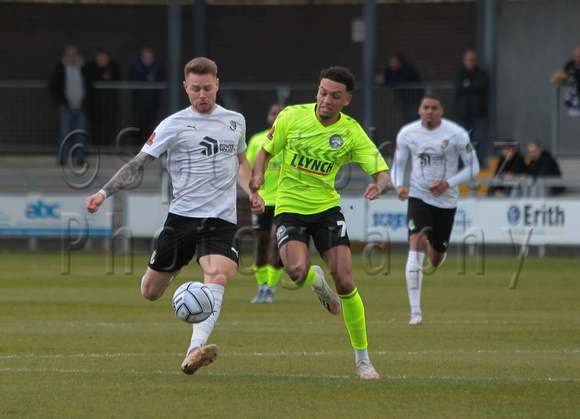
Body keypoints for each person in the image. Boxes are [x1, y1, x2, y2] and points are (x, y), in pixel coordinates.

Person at [86, 57, 264, 376]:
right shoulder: (173, 125)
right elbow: (138, 163)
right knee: (150, 292)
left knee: (219, 275)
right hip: (181, 220)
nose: (202, 95)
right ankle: (180, 273)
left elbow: (242, 163)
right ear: (185, 87)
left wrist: (251, 190)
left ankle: (194, 350)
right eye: (195, 89)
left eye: (207, 88)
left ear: (217, 84)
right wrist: (103, 192)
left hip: (220, 221)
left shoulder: (235, 120)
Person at [250, 66, 390, 379]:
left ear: (347, 100)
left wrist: (378, 186)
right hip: (289, 208)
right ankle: (317, 285)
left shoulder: (352, 132)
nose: (326, 100)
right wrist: (258, 174)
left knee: (346, 282)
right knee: (297, 273)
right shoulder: (291, 116)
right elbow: (264, 153)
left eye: (335, 96)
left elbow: (383, 174)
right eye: (323, 92)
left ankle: (363, 360)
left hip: (327, 210)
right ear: (318, 91)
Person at [393, 94, 480, 326]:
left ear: (441, 110)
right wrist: (399, 185)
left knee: (434, 259)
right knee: (417, 241)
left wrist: (448, 184)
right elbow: (399, 164)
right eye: (425, 107)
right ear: (419, 110)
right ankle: (415, 312)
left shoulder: (458, 134)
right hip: (418, 196)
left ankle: (438, 248)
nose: (429, 111)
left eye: (434, 108)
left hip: (446, 201)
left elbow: (475, 167)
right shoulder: (407, 133)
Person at [246, 103, 285, 304]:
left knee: (276, 242)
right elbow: (248, 170)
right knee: (260, 243)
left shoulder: (291, 141)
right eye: (274, 113)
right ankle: (261, 288)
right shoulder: (256, 141)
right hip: (263, 200)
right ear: (269, 118)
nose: (277, 117)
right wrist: (253, 193)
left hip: (284, 202)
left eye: (281, 114)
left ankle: (271, 288)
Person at [48, 45, 87, 165]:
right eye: (70, 55)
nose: (72, 57)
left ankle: (79, 158)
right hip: (66, 108)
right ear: (66, 56)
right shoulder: (60, 69)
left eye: (74, 55)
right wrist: (61, 102)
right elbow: (53, 87)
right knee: (65, 133)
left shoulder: (84, 68)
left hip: (80, 107)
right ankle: (62, 158)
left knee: (79, 134)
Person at [454, 48, 489, 165]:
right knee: (463, 138)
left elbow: (482, 86)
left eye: (473, 60)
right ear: (464, 61)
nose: (471, 62)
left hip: (477, 112)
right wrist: (473, 87)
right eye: (469, 60)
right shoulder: (460, 74)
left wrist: (468, 86)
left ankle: (476, 160)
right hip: (463, 112)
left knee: (477, 138)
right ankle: (462, 161)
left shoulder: (481, 74)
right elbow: (459, 88)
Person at [83, 48, 122, 147]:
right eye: (100, 59)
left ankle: (107, 146)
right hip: (94, 104)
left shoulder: (113, 68)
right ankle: (97, 146)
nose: (102, 61)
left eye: (104, 58)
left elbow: (118, 78)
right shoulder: (90, 68)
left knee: (110, 126)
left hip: (109, 104)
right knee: (96, 127)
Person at [128, 47, 164, 145]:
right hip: (138, 101)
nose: (148, 60)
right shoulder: (136, 67)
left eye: (150, 57)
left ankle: (148, 147)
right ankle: (136, 147)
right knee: (138, 124)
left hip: (152, 101)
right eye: (146, 57)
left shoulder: (158, 67)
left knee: (150, 124)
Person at [375, 54, 423, 124]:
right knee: (407, 117)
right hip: (404, 100)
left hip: (415, 98)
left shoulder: (408, 69)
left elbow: (401, 81)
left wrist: (386, 80)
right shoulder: (392, 69)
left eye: (393, 63)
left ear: (399, 63)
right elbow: (385, 76)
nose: (391, 65)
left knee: (414, 117)